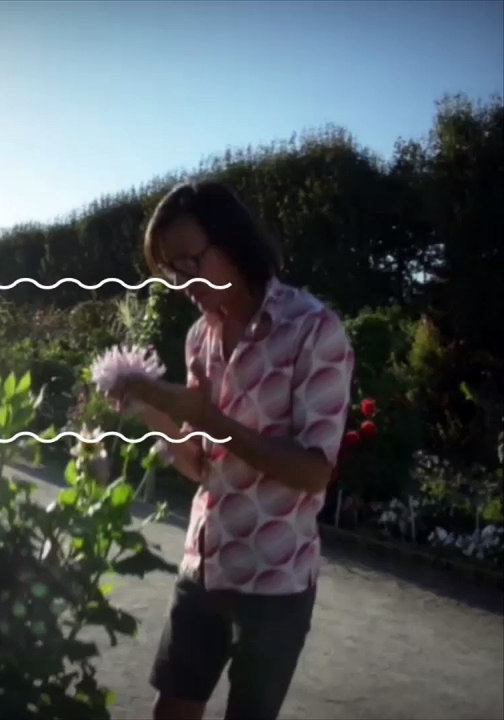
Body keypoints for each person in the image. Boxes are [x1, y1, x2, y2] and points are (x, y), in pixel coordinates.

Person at [109, 180, 354, 720]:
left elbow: (314, 472)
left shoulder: (314, 330)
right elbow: (200, 466)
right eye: (172, 270)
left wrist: (212, 420)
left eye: (191, 261)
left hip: (275, 580)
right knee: (169, 711)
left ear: (233, 241)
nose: (182, 281)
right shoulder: (200, 336)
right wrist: (152, 411)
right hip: (203, 567)